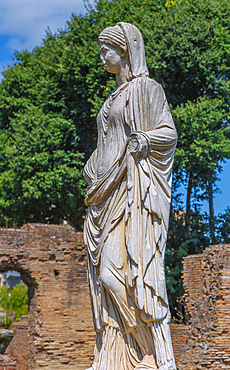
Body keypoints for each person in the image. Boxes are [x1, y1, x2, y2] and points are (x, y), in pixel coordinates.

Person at [84, 22, 177, 370]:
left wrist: (146, 141)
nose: (102, 56)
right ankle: (118, 353)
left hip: (131, 191)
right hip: (102, 196)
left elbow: (168, 132)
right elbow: (105, 143)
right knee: (105, 279)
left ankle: (148, 346)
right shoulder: (110, 99)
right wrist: (92, 167)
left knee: (117, 273)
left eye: (106, 50)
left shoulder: (148, 90)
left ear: (124, 51)